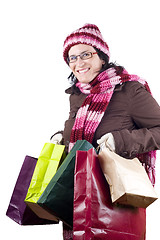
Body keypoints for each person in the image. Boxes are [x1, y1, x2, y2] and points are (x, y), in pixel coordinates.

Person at [51, 23, 160, 240]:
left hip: (116, 197)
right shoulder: (77, 95)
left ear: (102, 57)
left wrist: (120, 140)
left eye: (85, 54)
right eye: (72, 58)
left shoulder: (129, 89)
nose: (78, 63)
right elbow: (83, 138)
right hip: (79, 194)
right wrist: (62, 138)